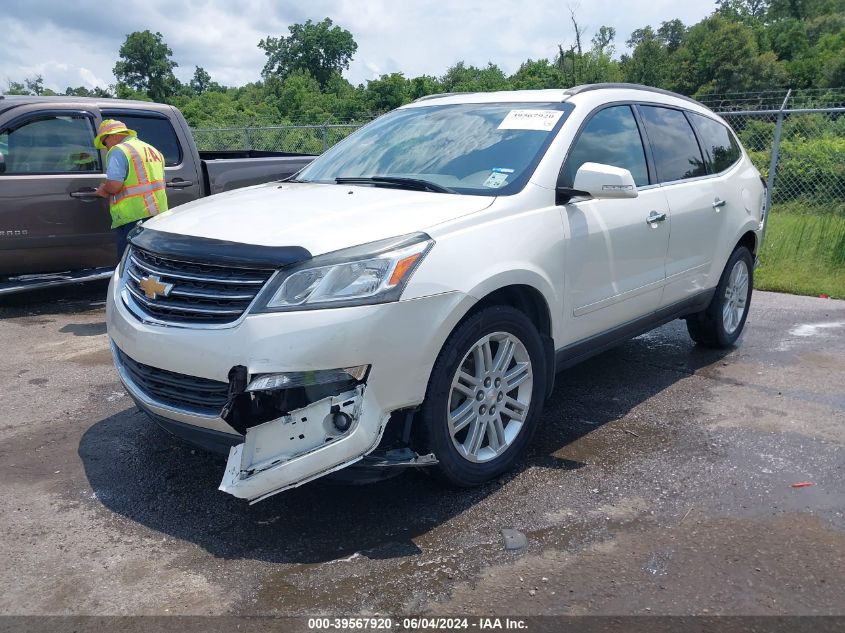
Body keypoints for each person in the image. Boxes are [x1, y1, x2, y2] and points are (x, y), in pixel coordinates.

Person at [93, 120, 168, 256]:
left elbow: (114, 186)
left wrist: (103, 190)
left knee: (129, 262)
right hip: (158, 215)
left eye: (104, 142)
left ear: (113, 136)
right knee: (150, 260)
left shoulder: (119, 151)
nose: (106, 147)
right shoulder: (152, 149)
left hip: (133, 217)